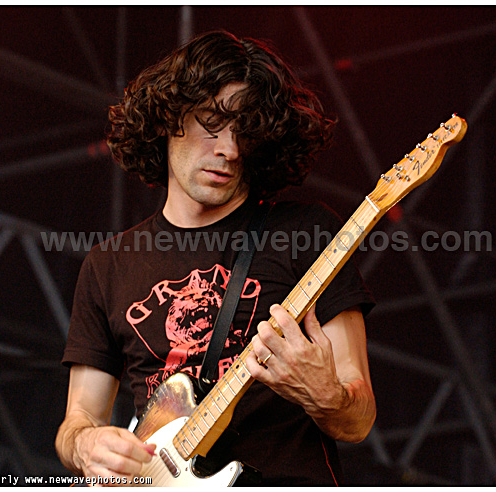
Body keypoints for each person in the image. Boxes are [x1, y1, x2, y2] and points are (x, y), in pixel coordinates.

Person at [55, 30, 376, 486]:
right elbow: (79, 419)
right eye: (212, 122)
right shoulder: (108, 265)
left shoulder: (305, 234)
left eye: (246, 130)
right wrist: (86, 445)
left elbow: (358, 420)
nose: (230, 149)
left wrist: (325, 394)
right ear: (167, 119)